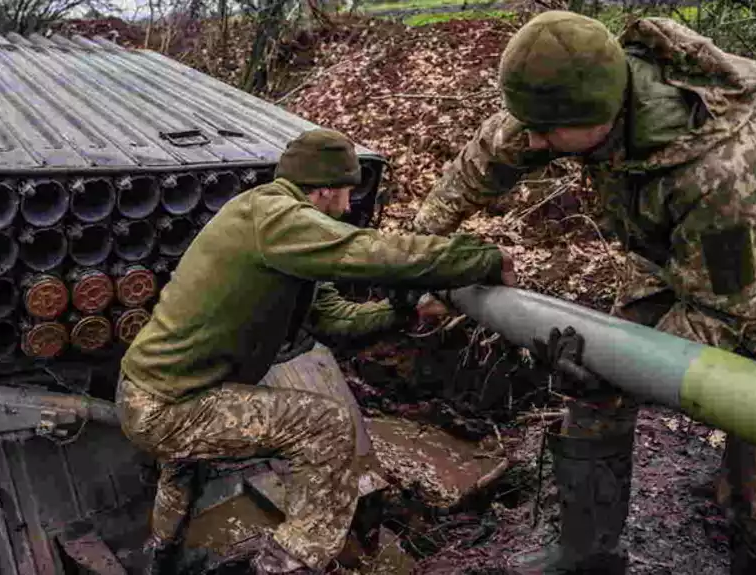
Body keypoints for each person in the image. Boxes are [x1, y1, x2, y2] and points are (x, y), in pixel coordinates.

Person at [411, 10, 756, 574]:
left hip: (746, 275)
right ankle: (588, 551)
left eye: (545, 131)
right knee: (595, 390)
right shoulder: (567, 97)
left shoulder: (722, 173)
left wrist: (616, 367)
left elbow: (723, 314)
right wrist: (418, 254)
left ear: (603, 115)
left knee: (751, 446)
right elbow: (481, 163)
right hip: (668, 255)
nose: (533, 140)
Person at [117, 128, 515, 574]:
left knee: (184, 472)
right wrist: (477, 258)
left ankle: (160, 561)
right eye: (345, 194)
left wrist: (403, 311)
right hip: (168, 404)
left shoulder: (280, 235)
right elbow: (365, 250)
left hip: (159, 390)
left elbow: (336, 321)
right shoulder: (274, 215)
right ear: (323, 189)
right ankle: (287, 563)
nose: (347, 208)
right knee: (327, 425)